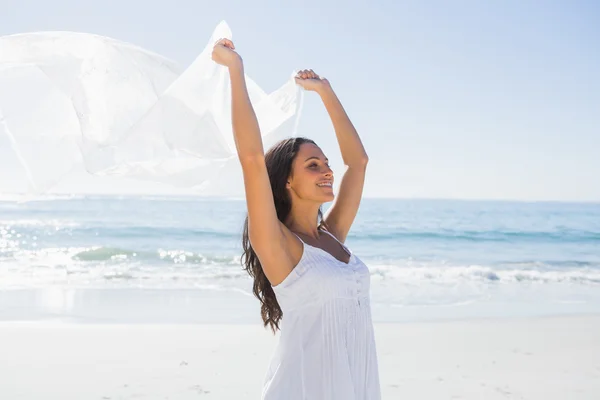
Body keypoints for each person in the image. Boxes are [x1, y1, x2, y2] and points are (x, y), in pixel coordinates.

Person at [212, 38, 381, 400]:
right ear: (287, 181)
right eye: (313, 165)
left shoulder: (332, 237)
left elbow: (358, 162)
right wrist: (235, 70)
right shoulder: (278, 245)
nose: (328, 171)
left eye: (326, 163)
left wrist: (325, 92)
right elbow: (253, 159)